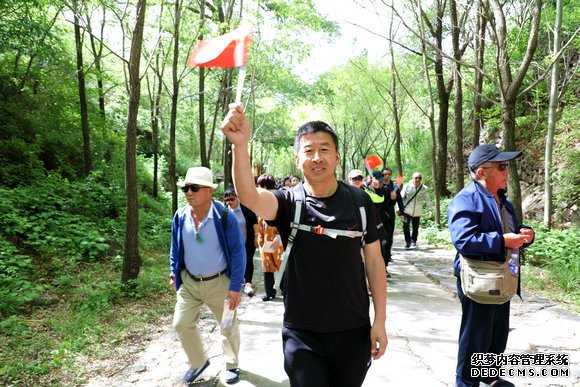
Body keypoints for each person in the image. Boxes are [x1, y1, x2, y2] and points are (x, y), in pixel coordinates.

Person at [222, 104, 387, 387]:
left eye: (324, 149)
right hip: (302, 333)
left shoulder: (360, 203)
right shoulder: (288, 202)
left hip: (354, 329)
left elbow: (374, 262)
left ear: (336, 157)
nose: (317, 157)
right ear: (298, 158)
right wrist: (240, 145)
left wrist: (380, 321)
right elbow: (250, 197)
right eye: (309, 150)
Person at [447, 144, 535, 387]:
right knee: (475, 339)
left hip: (503, 279)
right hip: (479, 281)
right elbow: (464, 241)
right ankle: (466, 382)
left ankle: (488, 377)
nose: (507, 172)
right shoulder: (465, 200)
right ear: (481, 172)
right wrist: (502, 241)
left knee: (496, 336)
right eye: (502, 167)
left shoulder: (503, 201)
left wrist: (525, 235)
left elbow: (511, 233)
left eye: (507, 166)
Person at [169, 166, 246, 385]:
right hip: (190, 283)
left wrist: (235, 287)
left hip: (220, 282)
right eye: (186, 188)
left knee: (228, 326)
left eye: (194, 188)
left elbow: (238, 253)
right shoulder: (180, 215)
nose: (188, 192)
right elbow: (175, 247)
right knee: (181, 323)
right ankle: (198, 362)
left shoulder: (224, 216)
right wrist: (174, 271)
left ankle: (232, 364)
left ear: (210, 191)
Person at [224, 187, 259, 297]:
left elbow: (255, 223)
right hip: (232, 243)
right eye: (227, 200)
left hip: (247, 241)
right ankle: (235, 283)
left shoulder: (246, 208)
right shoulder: (225, 211)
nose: (229, 202)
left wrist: (256, 237)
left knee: (248, 260)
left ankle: (248, 284)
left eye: (232, 199)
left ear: (237, 198)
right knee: (234, 262)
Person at [256, 173, 284, 301]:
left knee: (281, 265)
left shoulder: (280, 197)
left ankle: (285, 290)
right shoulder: (262, 198)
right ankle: (269, 292)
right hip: (265, 236)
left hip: (278, 237)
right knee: (267, 265)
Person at [399, 172, 432, 248]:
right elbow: (400, 198)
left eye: (419, 178)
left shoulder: (424, 188)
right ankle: (408, 241)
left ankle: (414, 241)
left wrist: (430, 209)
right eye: (416, 178)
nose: (417, 179)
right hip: (407, 210)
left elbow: (428, 200)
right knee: (405, 225)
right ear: (413, 178)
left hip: (417, 211)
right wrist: (398, 208)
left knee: (415, 227)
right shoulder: (407, 186)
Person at [381, 168, 404, 261]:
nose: (387, 176)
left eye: (389, 174)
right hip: (380, 214)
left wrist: (402, 213)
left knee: (389, 237)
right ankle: (382, 255)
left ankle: (388, 254)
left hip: (390, 214)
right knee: (382, 238)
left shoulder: (394, 187)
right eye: (385, 174)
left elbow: (400, 201)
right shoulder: (378, 185)